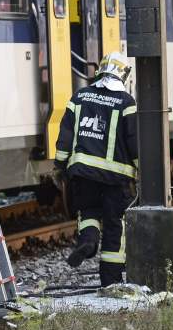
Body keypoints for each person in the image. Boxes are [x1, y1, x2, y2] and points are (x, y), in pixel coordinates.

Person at [54, 51, 138, 286]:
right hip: (116, 178)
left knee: (89, 211)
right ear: (123, 73)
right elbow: (134, 142)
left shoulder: (80, 97)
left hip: (83, 173)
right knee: (114, 224)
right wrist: (142, 171)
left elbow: (65, 135)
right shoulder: (126, 102)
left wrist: (60, 165)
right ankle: (109, 281)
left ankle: (88, 241)